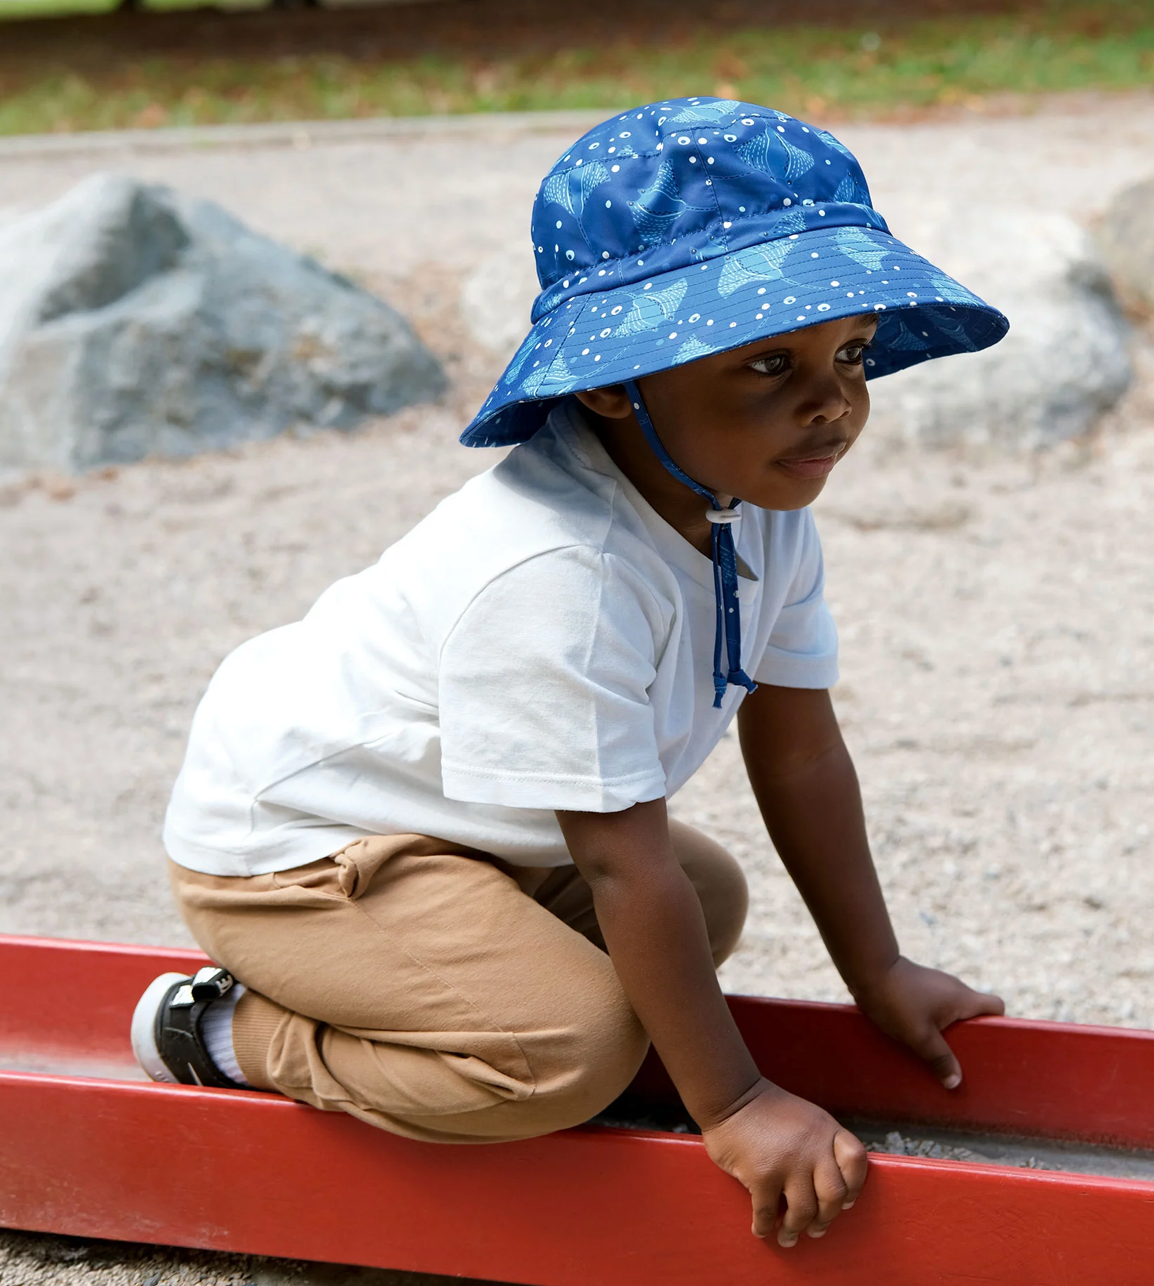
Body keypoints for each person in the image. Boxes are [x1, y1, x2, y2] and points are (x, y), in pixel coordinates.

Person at [133, 97, 1009, 1247]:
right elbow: (612, 853)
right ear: (609, 383)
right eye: (766, 363)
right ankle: (220, 1028)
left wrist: (877, 968)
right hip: (296, 849)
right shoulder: (558, 570)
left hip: (460, 827)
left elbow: (797, 749)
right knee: (572, 1050)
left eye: (847, 353)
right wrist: (735, 1104)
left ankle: (434, 986)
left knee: (706, 901)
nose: (832, 401)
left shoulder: (753, 501)